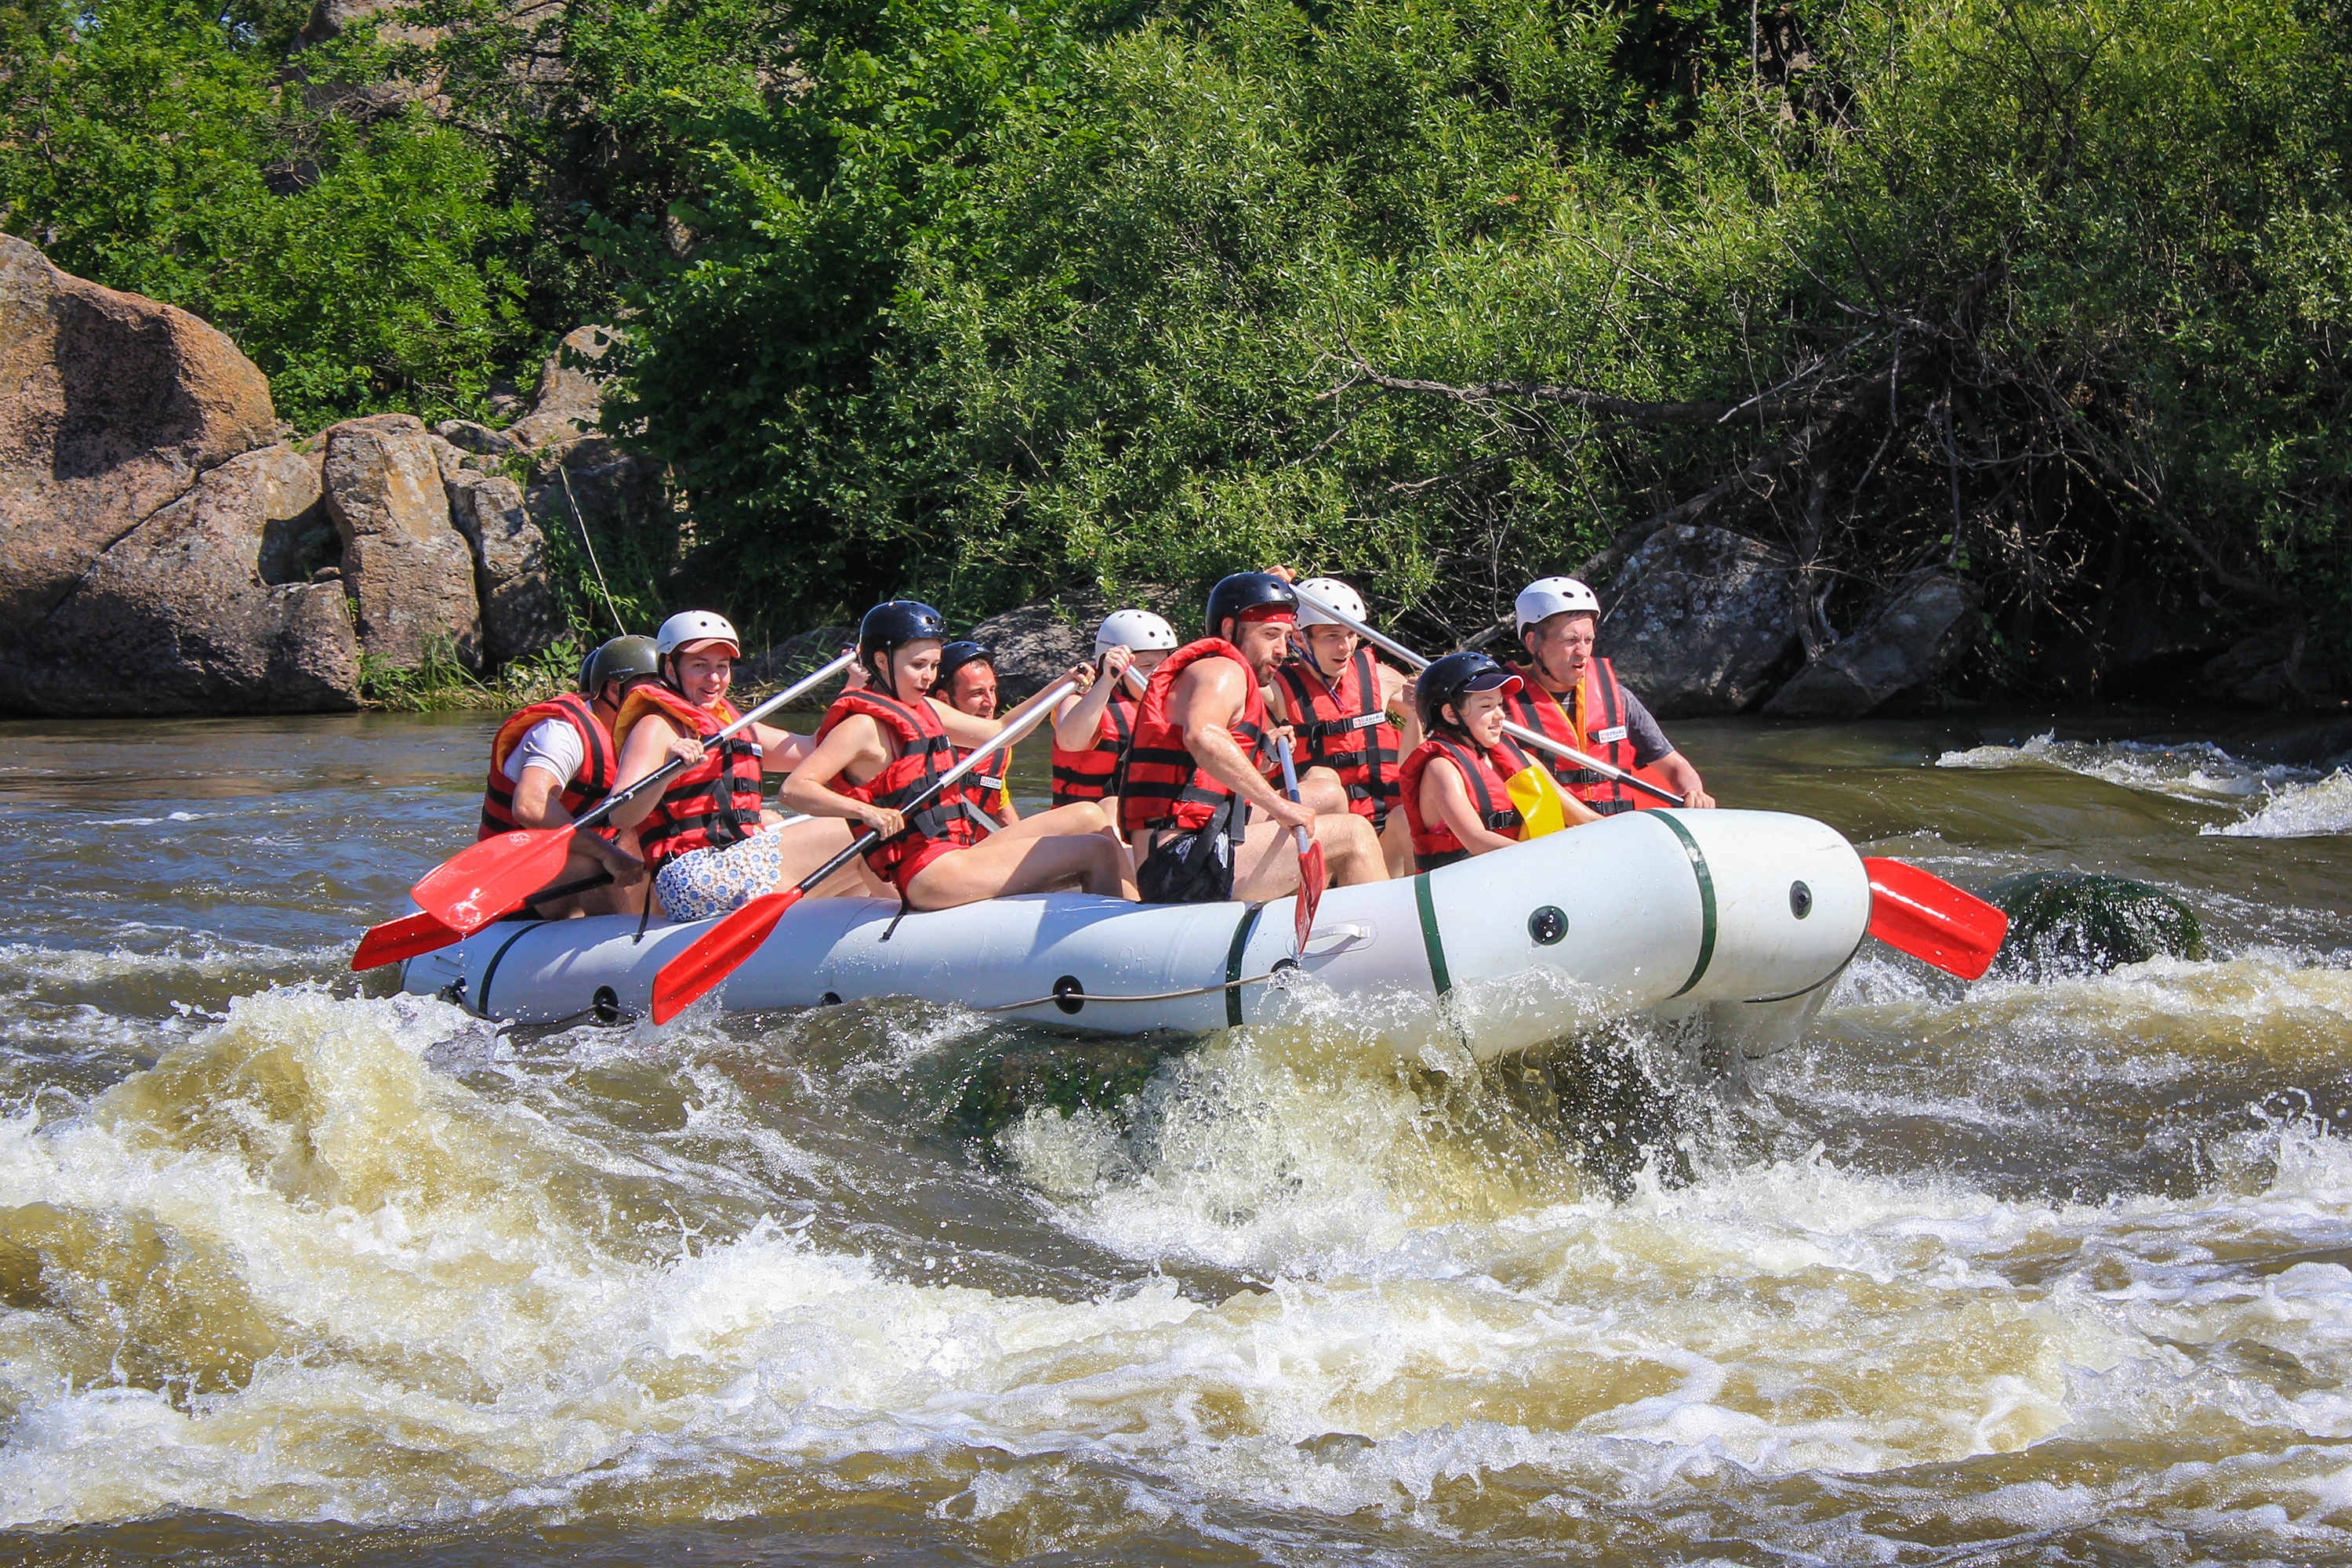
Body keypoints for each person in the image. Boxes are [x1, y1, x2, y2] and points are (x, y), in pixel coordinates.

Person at [781, 601, 1137, 912]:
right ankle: (1123, 941)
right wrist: (866, 811)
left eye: (934, 666)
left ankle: (1144, 913)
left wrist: (1061, 684)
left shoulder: (928, 709)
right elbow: (795, 789)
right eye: (918, 665)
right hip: (928, 874)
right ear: (880, 661)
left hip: (958, 850)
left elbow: (1001, 733)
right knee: (1096, 851)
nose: (928, 677)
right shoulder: (861, 726)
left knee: (1089, 815)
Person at [1120, 573, 1387, 904]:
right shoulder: (1223, 670)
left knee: (1328, 794)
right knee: (1354, 832)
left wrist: (1266, 756)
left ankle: (1315, 912)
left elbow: (1204, 774)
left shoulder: (1216, 671)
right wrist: (1280, 807)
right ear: (1230, 629)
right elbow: (1202, 737)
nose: (1282, 650)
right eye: (1271, 635)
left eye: (1287, 636)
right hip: (1181, 863)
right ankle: (1380, 933)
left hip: (1191, 843)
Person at [605, 612, 873, 923]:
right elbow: (620, 813)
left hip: (732, 856)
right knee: (862, 825)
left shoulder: (732, 725)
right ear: (670, 668)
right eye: (700, 666)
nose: (715, 678)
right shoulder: (656, 726)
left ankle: (865, 933)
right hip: (692, 878)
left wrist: (854, 684)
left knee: (856, 871)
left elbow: (814, 749)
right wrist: (668, 772)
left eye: (722, 666)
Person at [475, 633, 659, 916]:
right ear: (613, 691)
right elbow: (530, 807)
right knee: (594, 868)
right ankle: (618, 946)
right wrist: (606, 853)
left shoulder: (646, 737)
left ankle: (643, 925)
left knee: (655, 841)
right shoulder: (562, 734)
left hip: (560, 870)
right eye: (653, 691)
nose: (663, 701)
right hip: (508, 877)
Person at [1502, 576, 1717, 812]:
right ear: (1534, 643)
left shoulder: (1618, 699)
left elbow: (1674, 766)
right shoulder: (1499, 706)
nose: (1582, 651)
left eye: (1589, 639)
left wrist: (1693, 791)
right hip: (1549, 836)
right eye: (1570, 640)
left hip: (1614, 828)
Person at [1267, 576, 1419, 875]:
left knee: (1404, 817)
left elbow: (1421, 758)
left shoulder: (1382, 677)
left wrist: (1419, 712)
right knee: (1322, 776)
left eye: (1351, 634)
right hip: (1330, 846)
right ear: (1299, 639)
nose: (1345, 646)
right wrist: (1260, 606)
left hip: (1386, 834)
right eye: (1332, 636)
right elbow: (1233, 671)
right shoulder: (1275, 689)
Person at [1399, 652, 1598, 871]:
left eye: (1501, 705)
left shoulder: (1522, 760)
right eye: (1486, 707)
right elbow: (1476, 840)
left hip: (1519, 874)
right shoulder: (1442, 769)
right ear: (1452, 715)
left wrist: (1629, 828)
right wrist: (1549, 860)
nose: (1500, 715)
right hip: (1465, 889)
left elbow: (1583, 817)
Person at [1050, 609, 1178, 822]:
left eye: (1163, 665)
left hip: (1143, 821)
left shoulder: (1173, 704)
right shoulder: (1080, 700)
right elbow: (1070, 741)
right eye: (1147, 666)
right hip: (1084, 827)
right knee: (1111, 806)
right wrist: (1107, 680)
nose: (1158, 674)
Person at [934, 639, 1020, 827]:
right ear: (943, 698)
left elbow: (1001, 807)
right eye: (976, 693)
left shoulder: (999, 748)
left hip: (973, 847)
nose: (990, 703)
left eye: (993, 690)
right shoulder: (922, 745)